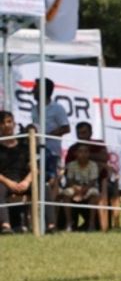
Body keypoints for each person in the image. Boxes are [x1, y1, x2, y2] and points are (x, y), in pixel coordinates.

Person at [31, 78, 69, 232]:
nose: (32, 90)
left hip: (52, 152)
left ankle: (51, 221)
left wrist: (47, 135)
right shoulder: (34, 108)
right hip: (37, 151)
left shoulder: (57, 108)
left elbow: (66, 128)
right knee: (40, 182)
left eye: (35, 88)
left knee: (52, 183)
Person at [65, 121, 119, 231]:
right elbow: (68, 167)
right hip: (75, 183)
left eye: (84, 133)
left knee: (109, 190)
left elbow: (104, 157)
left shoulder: (99, 144)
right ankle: (69, 223)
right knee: (64, 194)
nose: (81, 136)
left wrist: (84, 156)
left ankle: (99, 224)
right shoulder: (72, 148)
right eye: (79, 133)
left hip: (99, 182)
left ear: (90, 133)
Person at [0, 111, 32, 234]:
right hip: (4, 182)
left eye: (9, 122)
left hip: (23, 181)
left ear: (14, 124)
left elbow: (35, 167)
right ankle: (6, 226)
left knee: (43, 187)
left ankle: (49, 225)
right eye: (2, 123)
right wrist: (9, 183)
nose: (6, 125)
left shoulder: (24, 145)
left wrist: (27, 181)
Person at [59, 144, 100, 231]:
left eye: (86, 152)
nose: (83, 154)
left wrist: (82, 192)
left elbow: (92, 182)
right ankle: (69, 223)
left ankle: (91, 224)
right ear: (76, 153)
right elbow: (70, 180)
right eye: (80, 151)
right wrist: (77, 189)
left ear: (89, 153)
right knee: (66, 194)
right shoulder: (71, 165)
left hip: (88, 189)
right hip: (75, 188)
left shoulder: (93, 165)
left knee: (94, 193)